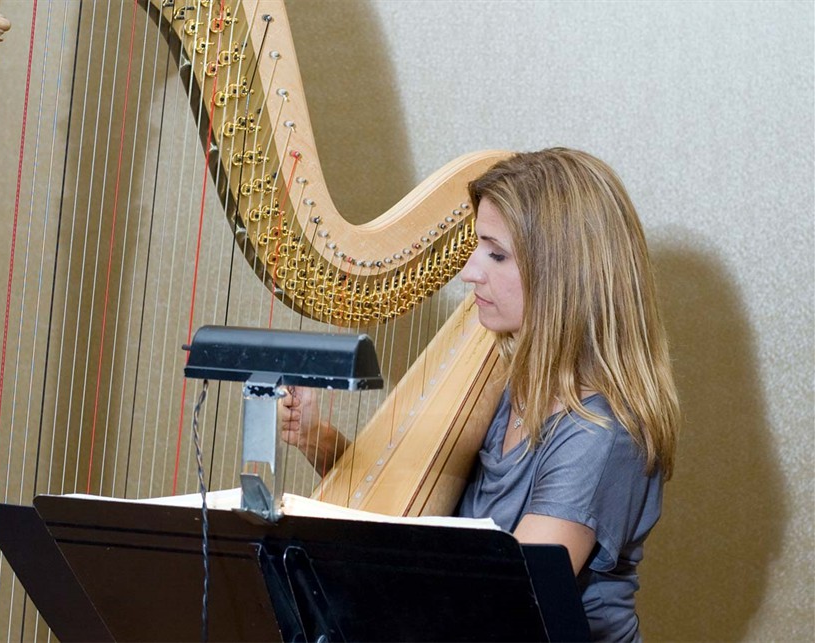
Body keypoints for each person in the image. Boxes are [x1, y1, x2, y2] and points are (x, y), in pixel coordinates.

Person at [280, 147, 680, 642]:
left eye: (496, 253)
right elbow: (414, 503)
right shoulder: (510, 381)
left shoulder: (599, 433)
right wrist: (317, 438)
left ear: (561, 273)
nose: (470, 272)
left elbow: (505, 604)